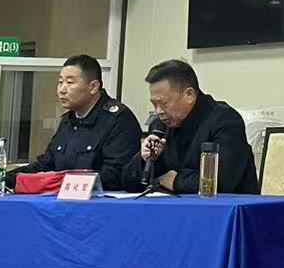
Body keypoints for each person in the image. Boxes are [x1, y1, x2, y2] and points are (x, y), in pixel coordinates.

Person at [121, 59, 259, 195]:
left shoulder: (225, 121)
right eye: (154, 104)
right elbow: (128, 184)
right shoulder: (159, 126)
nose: (159, 111)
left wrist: (176, 181)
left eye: (164, 104)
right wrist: (143, 159)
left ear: (189, 95)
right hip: (171, 205)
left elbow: (220, 183)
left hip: (224, 207)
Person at [17, 55, 142, 191]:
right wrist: (8, 178)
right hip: (64, 199)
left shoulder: (118, 119)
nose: (62, 90)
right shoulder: (68, 120)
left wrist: (60, 180)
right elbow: (45, 164)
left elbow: (115, 176)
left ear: (93, 87)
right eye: (60, 82)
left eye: (70, 83)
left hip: (101, 201)